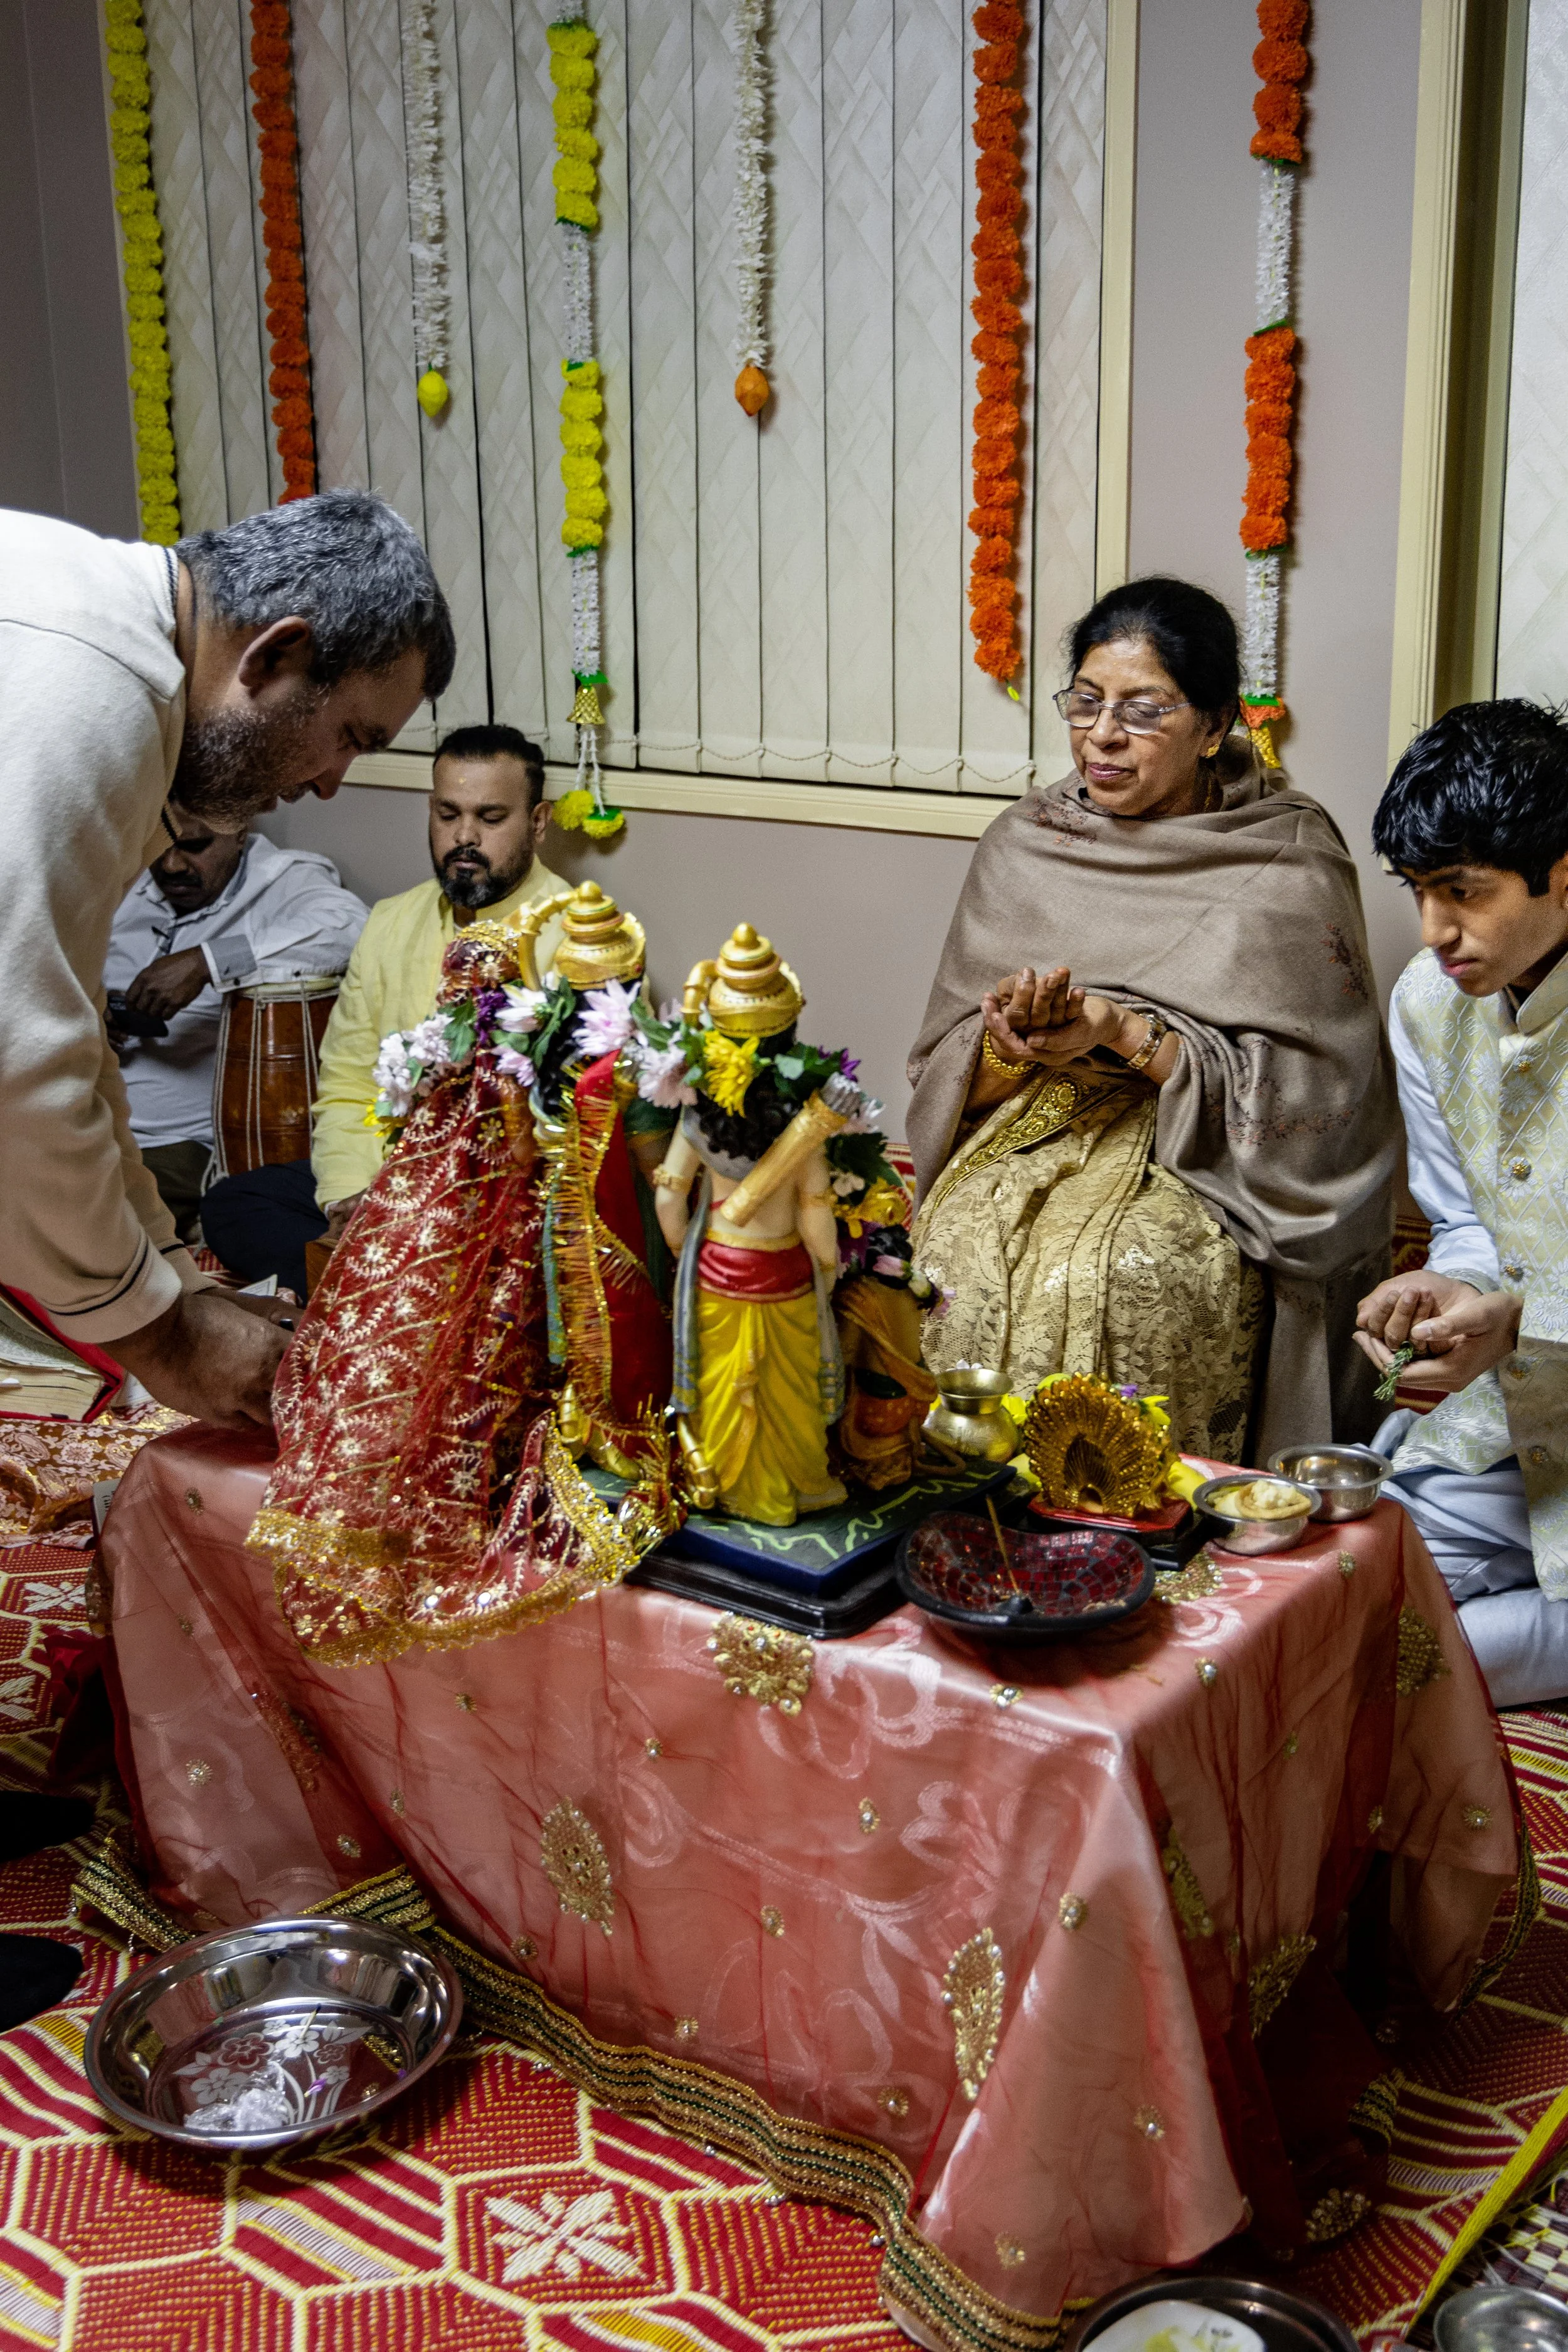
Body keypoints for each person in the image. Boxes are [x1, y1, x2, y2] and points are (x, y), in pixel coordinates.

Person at [0, 487, 451, 2021]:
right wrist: (170, 1331)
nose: (333, 784)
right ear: (279, 653)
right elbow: (20, 1052)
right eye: (354, 739)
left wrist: (164, 1278)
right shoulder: (85, 684)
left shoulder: (103, 633)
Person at [908, 576, 1399, 1463]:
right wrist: (1014, 1042)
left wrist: (1126, 1035)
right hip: (1033, 1127)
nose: (1102, 735)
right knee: (959, 1247)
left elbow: (1327, 1093)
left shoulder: (1285, 855)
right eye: (1087, 703)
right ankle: (972, 1518)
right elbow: (945, 1065)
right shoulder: (1027, 841)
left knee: (1136, 1272)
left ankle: (1152, 1543)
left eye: (1142, 710)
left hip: (1214, 1157)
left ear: (1215, 727)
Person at [1357, 701, 1568, 1709]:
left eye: (1463, 892)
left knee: (1424, 1663)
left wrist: (1524, 1320)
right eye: (1418, 891)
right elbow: (1470, 1221)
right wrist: (1445, 1291)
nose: (1435, 929)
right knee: (1337, 1613)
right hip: (1501, 1424)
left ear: (1563, 872)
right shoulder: (1428, 1003)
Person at [258, 724, 571, 1287]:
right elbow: (349, 1083)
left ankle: (374, 1288)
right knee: (238, 1205)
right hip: (383, 1175)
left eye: (491, 818)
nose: (464, 837)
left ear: (539, 822)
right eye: (448, 815)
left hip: (499, 1198)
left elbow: (573, 1128)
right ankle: (374, 1277)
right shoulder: (390, 922)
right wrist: (347, 1199)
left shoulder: (579, 939)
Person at [103, 800, 368, 1243]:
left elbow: (350, 928)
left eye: (195, 846)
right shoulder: (125, 880)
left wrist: (209, 961)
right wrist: (93, 1012)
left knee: (84, 1222)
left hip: (177, 1147)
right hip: (85, 1116)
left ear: (239, 831)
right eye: (160, 845)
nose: (171, 864)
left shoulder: (283, 879)